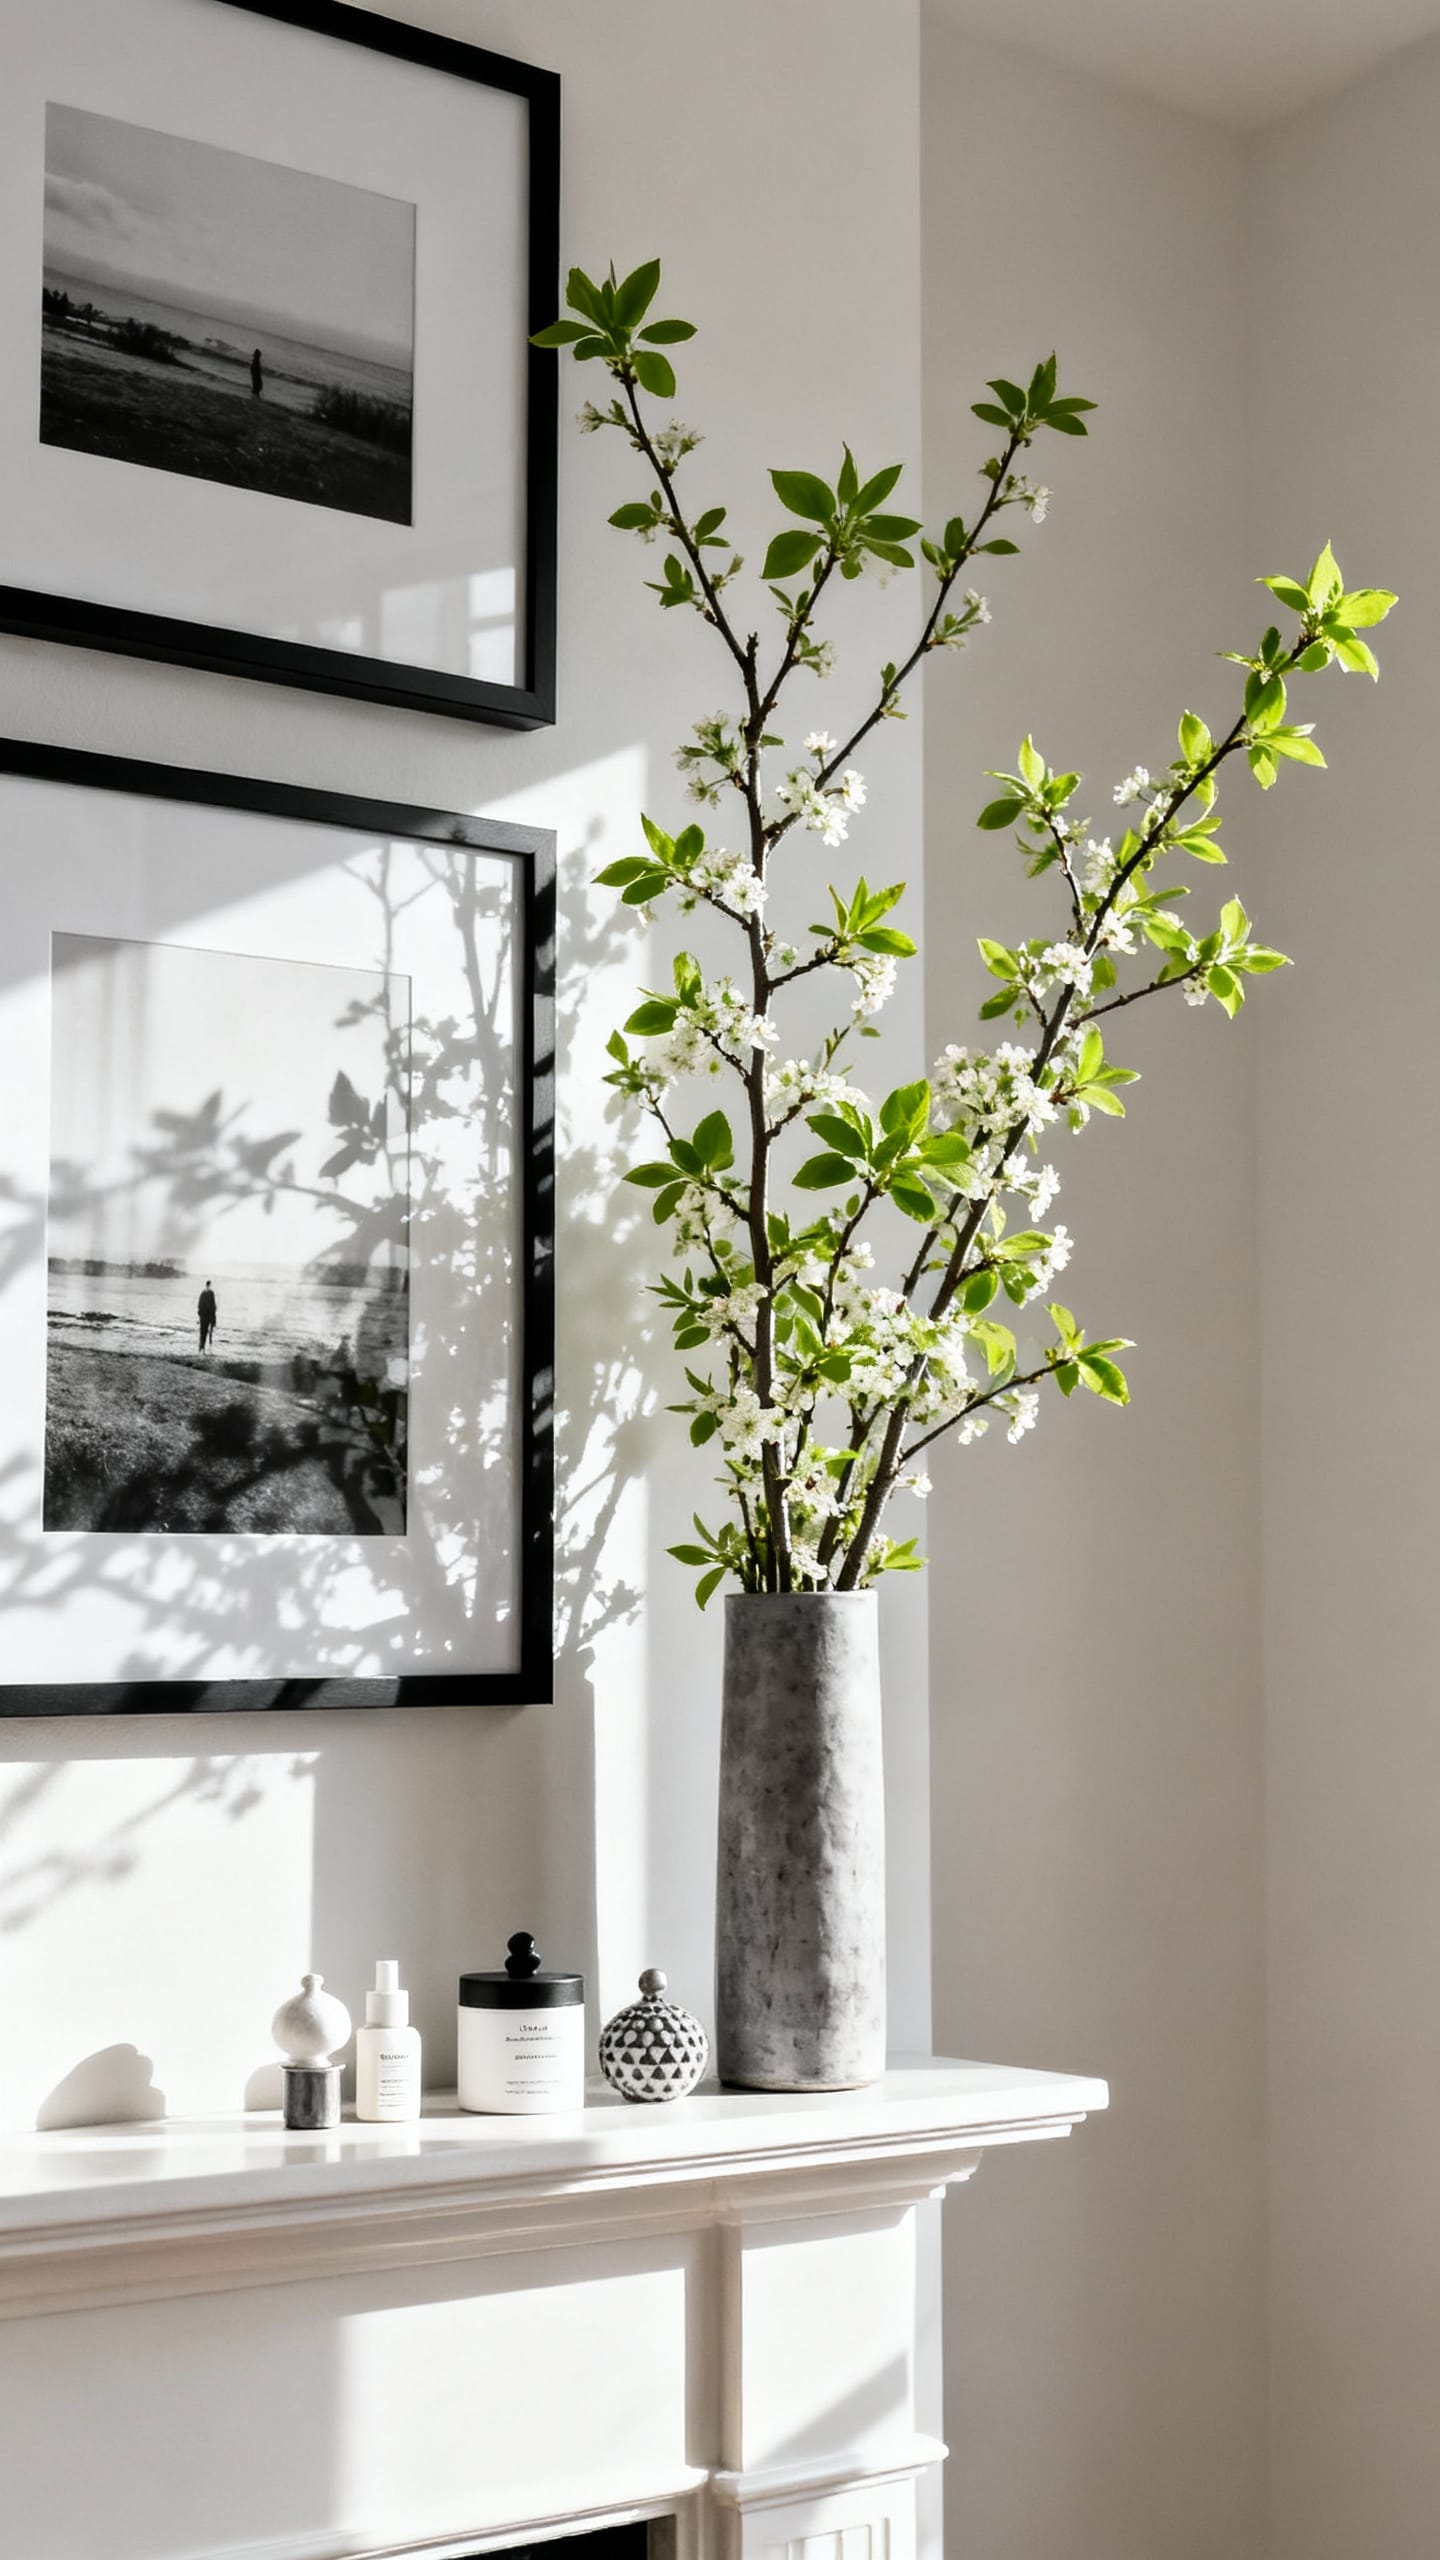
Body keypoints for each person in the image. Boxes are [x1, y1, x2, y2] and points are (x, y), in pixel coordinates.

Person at [198, 1281, 217, 1353]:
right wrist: (214, 1319)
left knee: (202, 1332)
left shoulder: (203, 1293)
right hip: (209, 1316)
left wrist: (200, 1315)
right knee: (209, 1333)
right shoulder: (211, 1293)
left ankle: (201, 1347)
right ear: (210, 1285)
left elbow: (199, 1305)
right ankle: (208, 1348)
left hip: (203, 1316)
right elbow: (213, 1305)